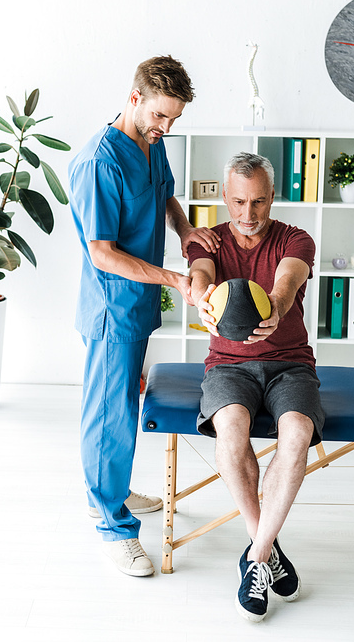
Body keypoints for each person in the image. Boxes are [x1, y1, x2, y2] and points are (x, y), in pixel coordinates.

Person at [68, 56, 220, 577]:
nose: (166, 128)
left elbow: (166, 197)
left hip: (138, 305)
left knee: (121, 401)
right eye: (160, 116)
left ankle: (111, 489)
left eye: (174, 120)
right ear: (134, 99)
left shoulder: (151, 146)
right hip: (113, 308)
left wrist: (184, 232)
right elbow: (102, 253)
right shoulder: (98, 162)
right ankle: (112, 524)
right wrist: (176, 279)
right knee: (110, 415)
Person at [188, 151, 325, 622]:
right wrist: (202, 295)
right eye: (239, 202)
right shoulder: (208, 240)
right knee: (232, 430)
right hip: (227, 365)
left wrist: (277, 309)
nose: (249, 215)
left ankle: (257, 555)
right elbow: (202, 275)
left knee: (296, 434)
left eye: (260, 202)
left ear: (273, 197)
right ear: (225, 197)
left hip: (290, 364)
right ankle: (266, 551)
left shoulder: (296, 238)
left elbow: (288, 281)